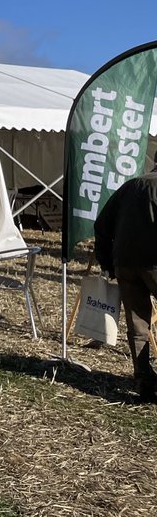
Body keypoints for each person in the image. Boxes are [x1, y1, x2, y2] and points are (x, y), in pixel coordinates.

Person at [94, 171, 157, 404]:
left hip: (125, 264)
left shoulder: (129, 187)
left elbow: (101, 224)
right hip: (154, 263)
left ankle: (144, 381)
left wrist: (107, 264)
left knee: (137, 323)